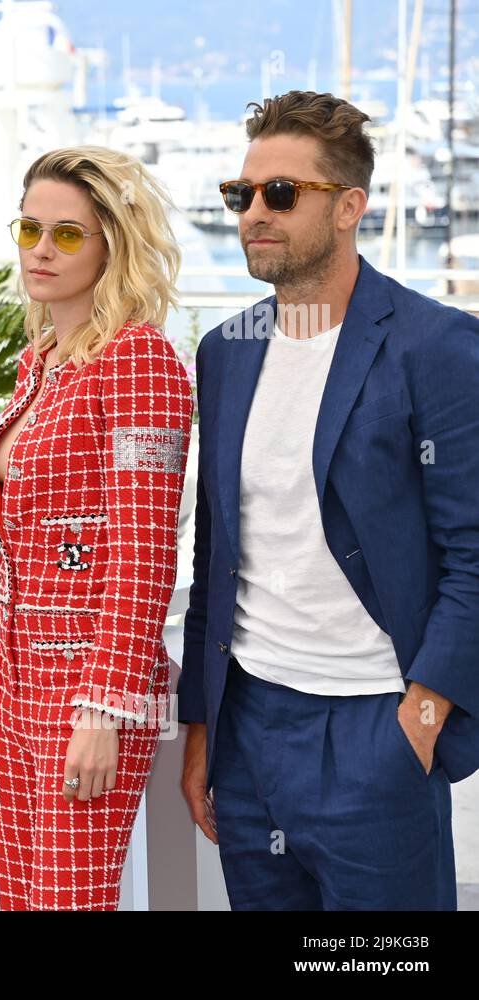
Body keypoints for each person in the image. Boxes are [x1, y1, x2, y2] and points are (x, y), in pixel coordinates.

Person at [179, 90, 479, 911]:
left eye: (282, 193)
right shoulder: (225, 352)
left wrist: (421, 719)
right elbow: (219, 549)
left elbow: (474, 554)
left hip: (372, 731)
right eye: (241, 195)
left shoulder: (437, 346)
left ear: (350, 206)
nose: (253, 214)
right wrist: (203, 728)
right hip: (248, 726)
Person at [0, 146, 193, 910]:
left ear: (112, 244)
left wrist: (104, 710)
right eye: (29, 230)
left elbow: (144, 550)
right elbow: (20, 556)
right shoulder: (43, 361)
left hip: (86, 689)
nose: (40, 250)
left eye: (67, 235)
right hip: (13, 681)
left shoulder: (139, 361)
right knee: (20, 903)